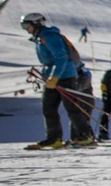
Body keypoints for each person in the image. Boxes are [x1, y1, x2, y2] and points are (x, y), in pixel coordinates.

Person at [20, 12, 96, 148]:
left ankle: (85, 136)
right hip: (52, 77)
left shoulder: (50, 36)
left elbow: (61, 57)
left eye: (26, 25)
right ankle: (54, 138)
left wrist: (55, 76)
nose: (25, 28)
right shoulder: (40, 38)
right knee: (48, 107)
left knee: (71, 107)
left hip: (65, 75)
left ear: (36, 23)